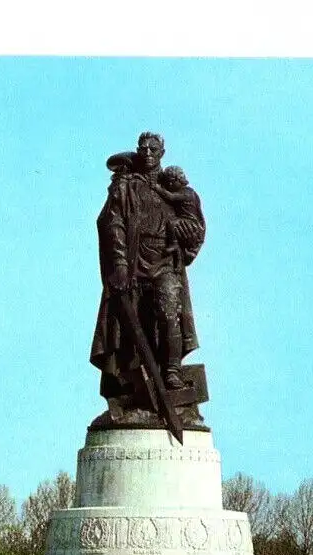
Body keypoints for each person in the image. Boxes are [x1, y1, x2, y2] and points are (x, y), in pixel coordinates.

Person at [91, 132, 206, 403]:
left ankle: (172, 372)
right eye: (143, 148)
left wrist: (187, 236)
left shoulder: (175, 188)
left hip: (165, 262)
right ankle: (132, 384)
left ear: (162, 152)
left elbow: (196, 226)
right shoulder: (126, 186)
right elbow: (111, 222)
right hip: (132, 263)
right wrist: (119, 262)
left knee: (169, 314)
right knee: (132, 323)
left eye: (153, 149)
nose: (147, 153)